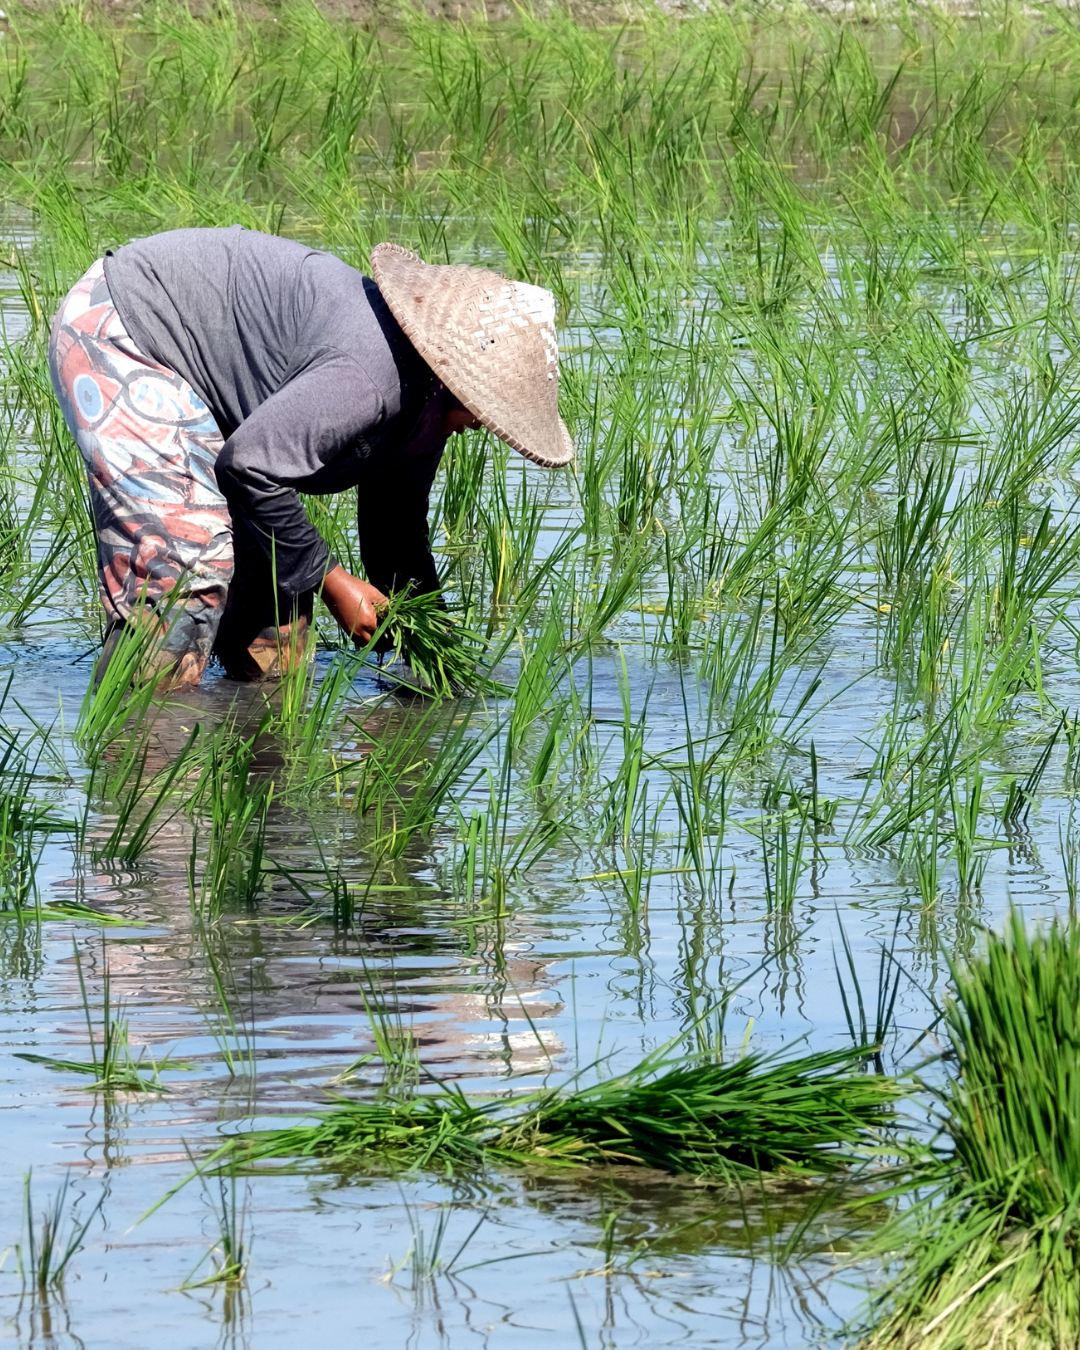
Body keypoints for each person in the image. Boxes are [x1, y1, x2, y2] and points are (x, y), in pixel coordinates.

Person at [47, 227, 574, 685]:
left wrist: (429, 650)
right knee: (190, 571)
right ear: (453, 376)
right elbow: (250, 466)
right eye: (487, 406)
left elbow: (396, 531)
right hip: (127, 329)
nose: (484, 423)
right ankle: (138, 764)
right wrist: (334, 582)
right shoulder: (372, 376)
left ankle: (257, 784)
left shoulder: (426, 405)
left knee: (280, 641)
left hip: (212, 394)